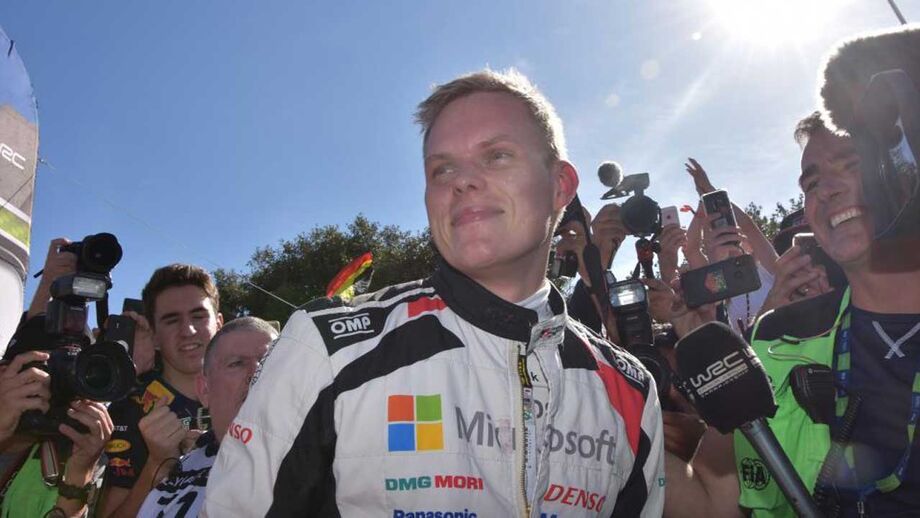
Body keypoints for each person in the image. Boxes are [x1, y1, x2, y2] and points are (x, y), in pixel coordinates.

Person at [204, 68, 665, 517]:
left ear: (561, 186)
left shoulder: (632, 391)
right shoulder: (326, 351)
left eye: (496, 155)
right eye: (441, 169)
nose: (461, 180)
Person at [99, 264, 223, 517]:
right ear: (154, 336)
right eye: (171, 320)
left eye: (199, 316)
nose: (188, 331)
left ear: (219, 323)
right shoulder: (128, 411)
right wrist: (157, 465)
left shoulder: (255, 393)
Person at [134, 317, 276, 518]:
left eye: (271, 361)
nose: (256, 373)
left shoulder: (315, 458)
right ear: (204, 390)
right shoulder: (177, 465)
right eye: (237, 363)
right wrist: (157, 464)